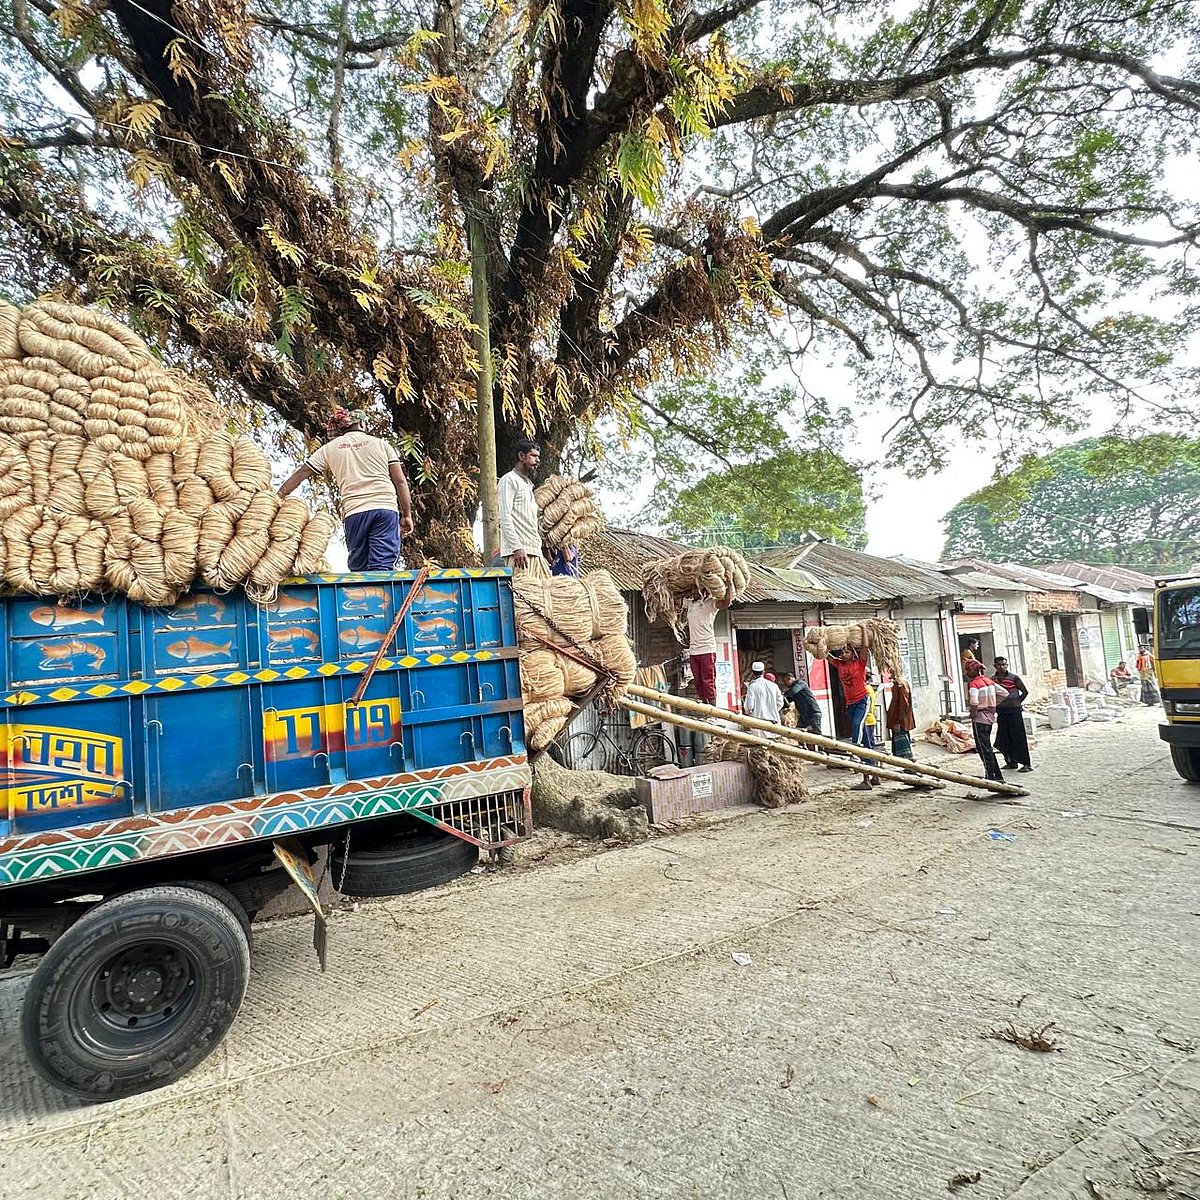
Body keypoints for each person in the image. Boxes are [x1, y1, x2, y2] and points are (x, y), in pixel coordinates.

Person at [278, 406, 412, 571]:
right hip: (384, 509)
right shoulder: (381, 445)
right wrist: (407, 515)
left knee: (359, 568)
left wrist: (276, 497)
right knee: (382, 566)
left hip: (354, 512)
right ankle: (381, 587)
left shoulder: (329, 448)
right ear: (362, 424)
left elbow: (301, 473)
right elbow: (400, 481)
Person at [829, 627, 878, 790]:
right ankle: (872, 777)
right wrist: (823, 640)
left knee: (857, 726)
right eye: (842, 651)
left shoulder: (860, 663)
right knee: (866, 741)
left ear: (853, 654)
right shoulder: (839, 664)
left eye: (847, 651)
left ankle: (855, 751)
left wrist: (863, 629)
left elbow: (865, 647)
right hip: (850, 704)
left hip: (862, 701)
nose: (843, 654)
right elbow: (825, 655)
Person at [497, 439, 548, 577]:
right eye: (533, 456)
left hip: (534, 551)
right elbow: (504, 517)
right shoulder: (509, 480)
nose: (537, 460)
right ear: (521, 456)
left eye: (538, 457)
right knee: (524, 590)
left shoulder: (528, 485)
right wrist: (516, 548)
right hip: (519, 555)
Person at [683, 591, 732, 706]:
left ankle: (713, 711)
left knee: (708, 682)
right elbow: (674, 600)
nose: (694, 592)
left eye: (696, 589)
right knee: (698, 683)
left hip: (707, 649)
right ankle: (705, 710)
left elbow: (726, 603)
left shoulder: (711, 603)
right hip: (693, 650)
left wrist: (729, 585)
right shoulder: (690, 604)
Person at [964, 660, 1008, 783]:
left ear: (973, 671)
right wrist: (992, 704)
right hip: (990, 717)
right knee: (987, 747)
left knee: (983, 749)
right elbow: (1004, 693)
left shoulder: (974, 684)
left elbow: (974, 702)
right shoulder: (989, 682)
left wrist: (973, 714)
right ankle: (997, 775)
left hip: (979, 719)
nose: (966, 673)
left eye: (967, 670)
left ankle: (991, 775)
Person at [992, 656, 1033, 773]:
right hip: (1001, 711)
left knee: (1018, 736)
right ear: (995, 666)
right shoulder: (992, 680)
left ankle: (1026, 763)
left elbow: (1024, 692)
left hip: (1014, 711)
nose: (1002, 667)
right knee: (1003, 737)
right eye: (999, 665)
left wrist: (1017, 702)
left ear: (1007, 665)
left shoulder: (1014, 678)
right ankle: (1010, 762)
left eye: (1004, 665)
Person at [886, 679, 917, 761]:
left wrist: (898, 721)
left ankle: (907, 762)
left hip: (899, 720)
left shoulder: (900, 685)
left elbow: (903, 705)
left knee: (903, 748)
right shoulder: (902, 684)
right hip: (900, 719)